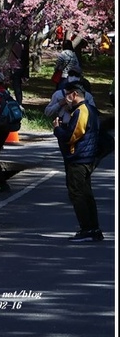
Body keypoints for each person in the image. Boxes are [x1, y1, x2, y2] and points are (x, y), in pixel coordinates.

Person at [51, 80, 103, 242]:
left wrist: (58, 129)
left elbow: (71, 136)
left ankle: (87, 229)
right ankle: (93, 229)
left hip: (79, 158)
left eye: (68, 94)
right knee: (86, 194)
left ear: (74, 95)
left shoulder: (82, 111)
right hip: (87, 157)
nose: (66, 98)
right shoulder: (90, 110)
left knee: (78, 194)